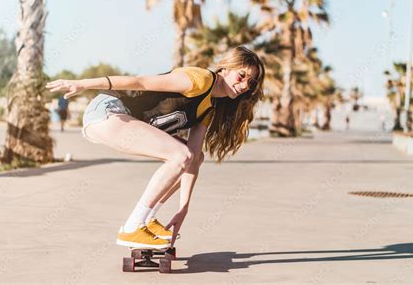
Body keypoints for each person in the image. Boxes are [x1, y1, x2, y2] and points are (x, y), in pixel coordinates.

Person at [46, 46, 265, 249]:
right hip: (107, 111)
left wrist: (183, 209)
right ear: (225, 69)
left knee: (193, 157)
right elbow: (140, 82)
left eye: (251, 82)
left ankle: (145, 220)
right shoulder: (200, 80)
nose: (245, 85)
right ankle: (132, 228)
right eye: (242, 75)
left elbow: (194, 157)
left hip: (117, 123)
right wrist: (84, 83)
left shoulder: (208, 108)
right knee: (180, 154)